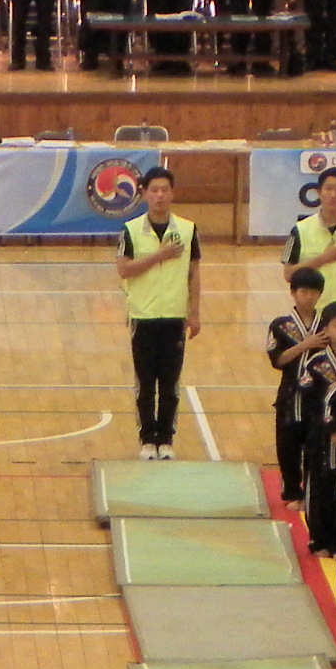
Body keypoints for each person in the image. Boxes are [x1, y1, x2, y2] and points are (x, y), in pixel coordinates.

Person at [114, 166, 199, 462]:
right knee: (146, 382)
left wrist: (194, 312)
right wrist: (158, 256)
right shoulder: (131, 230)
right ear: (144, 194)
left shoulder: (188, 230)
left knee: (170, 384)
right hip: (143, 315)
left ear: (172, 193)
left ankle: (166, 439)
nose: (160, 195)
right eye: (154, 190)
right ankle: (147, 439)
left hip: (174, 316)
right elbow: (124, 269)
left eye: (165, 190)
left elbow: (193, 273)